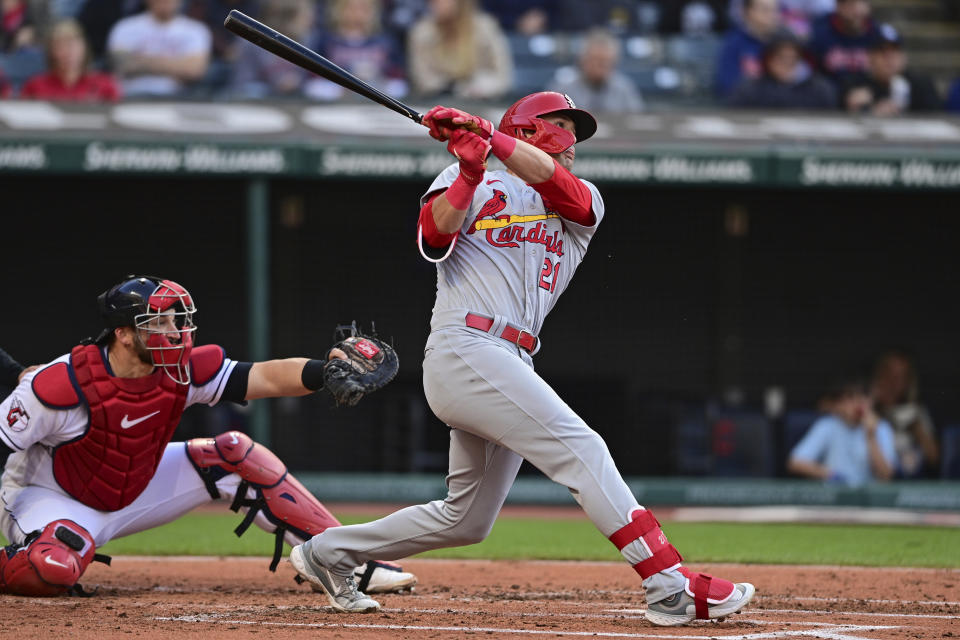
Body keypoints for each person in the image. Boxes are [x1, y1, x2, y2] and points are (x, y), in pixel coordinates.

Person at [290, 92, 756, 625]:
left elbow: (563, 191)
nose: (572, 141)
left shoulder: (582, 201)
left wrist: (489, 138)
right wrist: (467, 169)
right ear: (531, 129)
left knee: (466, 520)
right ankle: (668, 584)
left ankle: (328, 552)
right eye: (560, 125)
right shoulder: (463, 179)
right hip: (465, 346)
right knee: (582, 448)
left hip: (511, 356)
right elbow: (433, 237)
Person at [0, 275, 416, 597]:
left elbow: (265, 376)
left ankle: (342, 560)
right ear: (123, 334)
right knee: (50, 570)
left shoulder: (181, 370)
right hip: (53, 496)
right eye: (156, 322)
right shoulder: (59, 386)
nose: (175, 331)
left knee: (233, 453)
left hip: (136, 486)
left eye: (175, 320)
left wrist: (324, 372)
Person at [787, 375, 897, 487]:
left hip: (871, 499)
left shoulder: (881, 428)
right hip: (836, 498)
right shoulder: (827, 425)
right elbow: (796, 462)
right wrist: (830, 474)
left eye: (864, 397)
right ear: (838, 404)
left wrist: (871, 436)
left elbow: (886, 475)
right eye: (851, 398)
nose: (859, 404)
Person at [407, 0, 513, 100]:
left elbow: (501, 76)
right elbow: (422, 78)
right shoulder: (422, 32)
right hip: (436, 102)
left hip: (481, 102)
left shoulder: (485, 27)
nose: (435, 3)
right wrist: (452, 89)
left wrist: (477, 88)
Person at [106, 0, 211, 97]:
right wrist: (178, 64)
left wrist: (140, 61)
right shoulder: (125, 27)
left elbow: (194, 70)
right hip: (130, 97)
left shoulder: (196, 30)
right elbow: (122, 64)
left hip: (179, 98)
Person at [310, 0, 408, 102]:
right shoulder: (326, 41)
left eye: (364, 9)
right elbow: (313, 83)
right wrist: (343, 87)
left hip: (377, 99)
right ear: (339, 10)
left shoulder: (385, 42)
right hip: (336, 102)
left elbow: (399, 82)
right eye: (351, 8)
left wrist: (379, 81)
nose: (358, 13)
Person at [841, 24, 941, 116]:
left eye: (895, 51)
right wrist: (864, 112)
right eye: (882, 51)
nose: (889, 58)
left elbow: (938, 118)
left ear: (904, 57)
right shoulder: (854, 85)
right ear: (870, 57)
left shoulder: (921, 85)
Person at [230, 0, 321, 98]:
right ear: (287, 18)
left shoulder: (308, 39)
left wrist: (297, 82)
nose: (310, 22)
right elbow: (242, 86)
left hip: (293, 99)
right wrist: (275, 85)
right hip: (258, 102)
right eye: (304, 17)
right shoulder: (252, 40)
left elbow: (306, 79)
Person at [870, 350, 939, 478]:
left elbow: (933, 458)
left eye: (901, 376)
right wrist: (874, 404)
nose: (894, 382)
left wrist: (916, 429)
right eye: (889, 374)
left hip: (908, 483)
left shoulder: (916, 411)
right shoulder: (864, 407)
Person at [19, 19, 121, 101]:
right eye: (61, 46)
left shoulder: (104, 85)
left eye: (74, 45)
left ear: (84, 48)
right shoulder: (35, 86)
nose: (69, 52)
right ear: (51, 51)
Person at [548, 27, 644, 114]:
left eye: (607, 62)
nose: (602, 67)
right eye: (597, 61)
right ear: (583, 60)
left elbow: (637, 121)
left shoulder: (624, 88)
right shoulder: (563, 88)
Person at [728, 33, 836, 109]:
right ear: (768, 60)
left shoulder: (818, 89)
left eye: (793, 58)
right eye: (781, 57)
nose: (787, 63)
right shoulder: (750, 89)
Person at [714, 0, 783, 99]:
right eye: (765, 10)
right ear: (747, 12)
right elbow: (726, 84)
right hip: (746, 107)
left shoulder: (785, 41)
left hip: (783, 106)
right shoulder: (734, 43)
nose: (772, 15)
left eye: (775, 10)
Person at [808, 0, 879, 88]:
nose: (856, 10)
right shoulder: (820, 31)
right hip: (830, 93)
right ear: (838, 6)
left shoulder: (877, 34)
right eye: (850, 4)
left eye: (861, 3)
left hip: (867, 93)